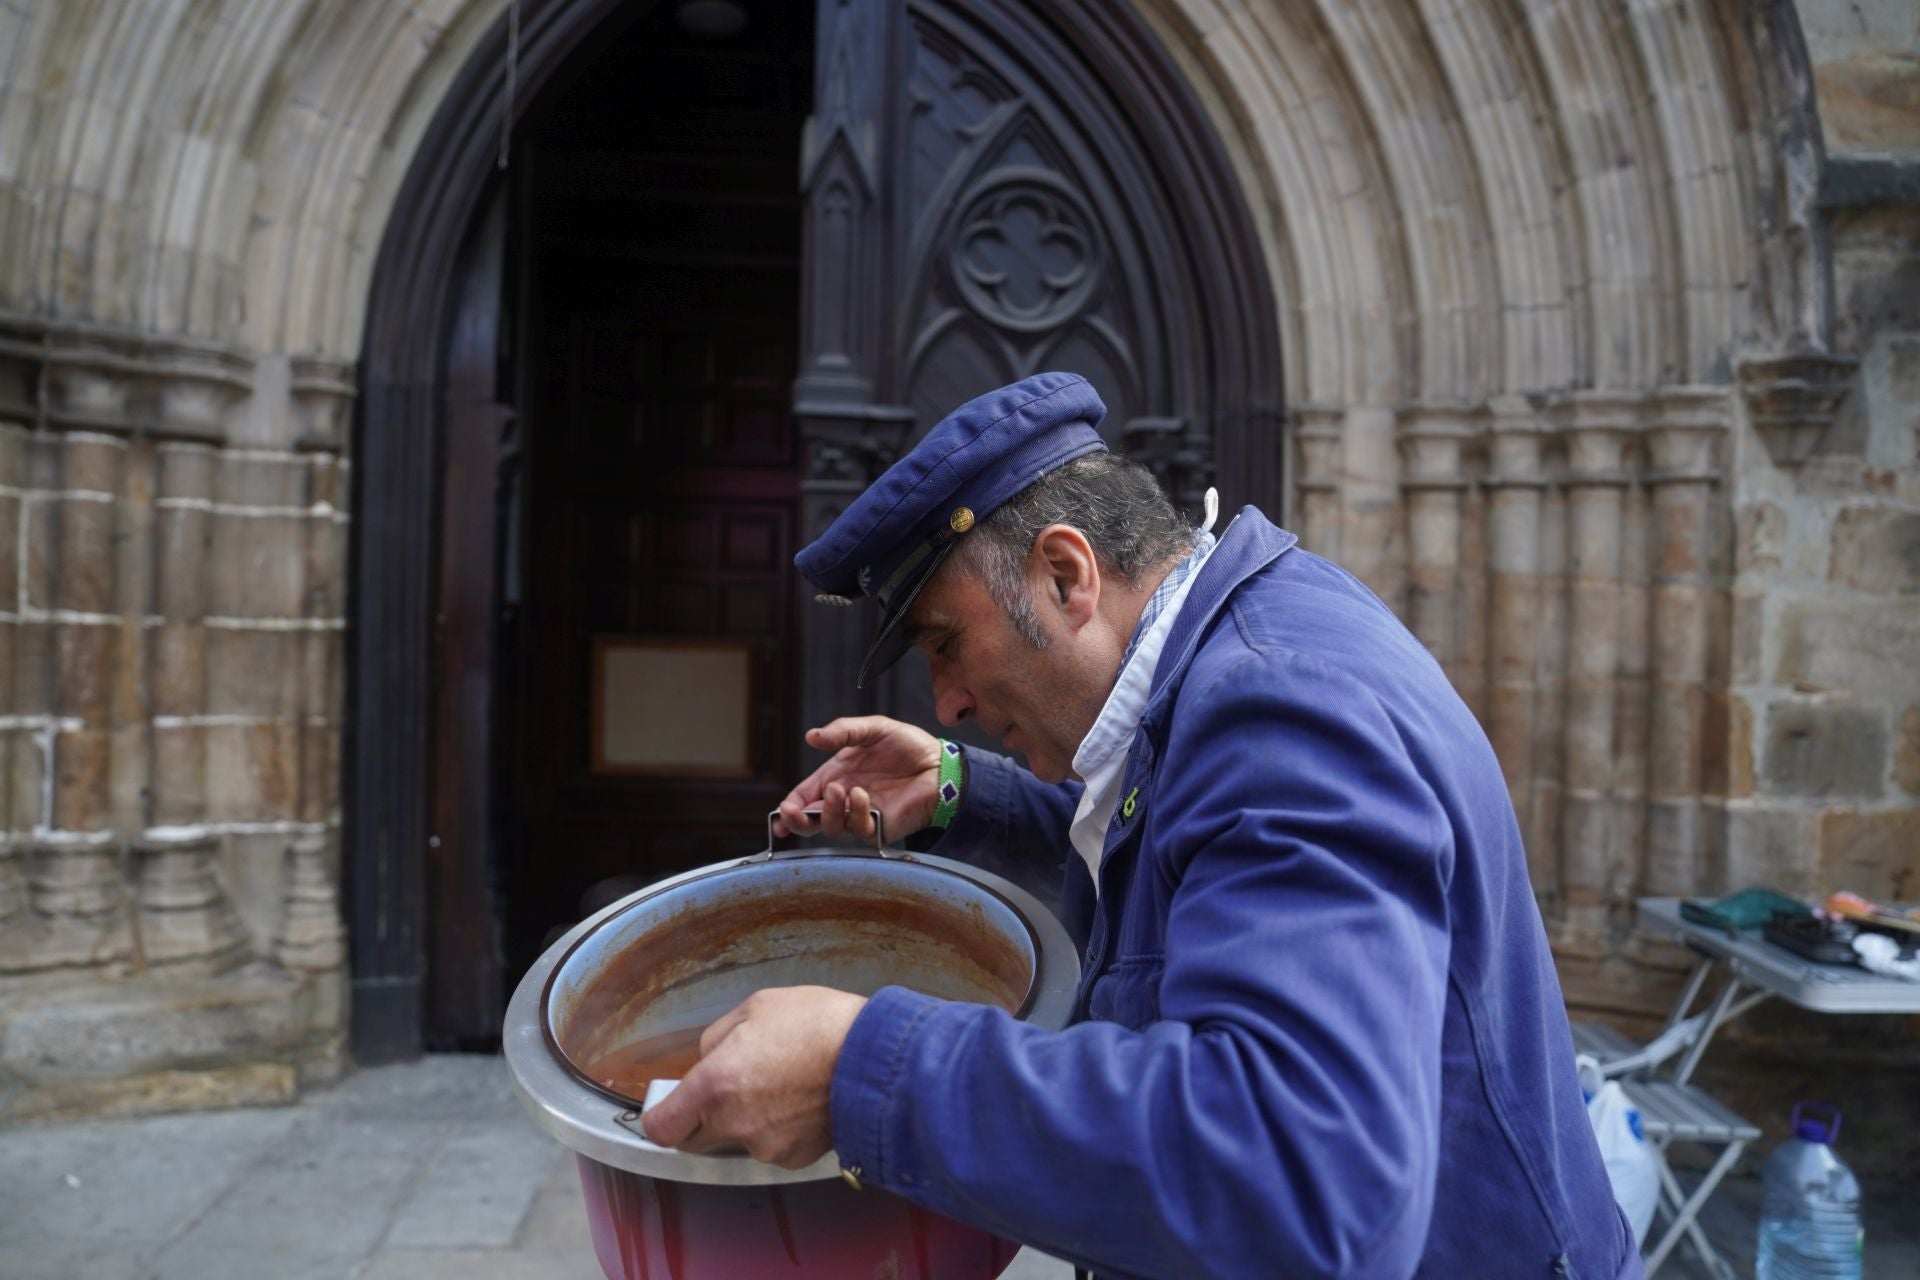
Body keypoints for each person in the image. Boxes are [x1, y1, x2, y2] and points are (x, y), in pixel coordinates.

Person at [643, 372, 1641, 1280]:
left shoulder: (1284, 714)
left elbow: (1304, 1178)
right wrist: (963, 790)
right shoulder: (1246, 648)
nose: (943, 700)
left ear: (1067, 575)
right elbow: (1193, 857)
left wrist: (864, 1064)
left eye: (946, 643)